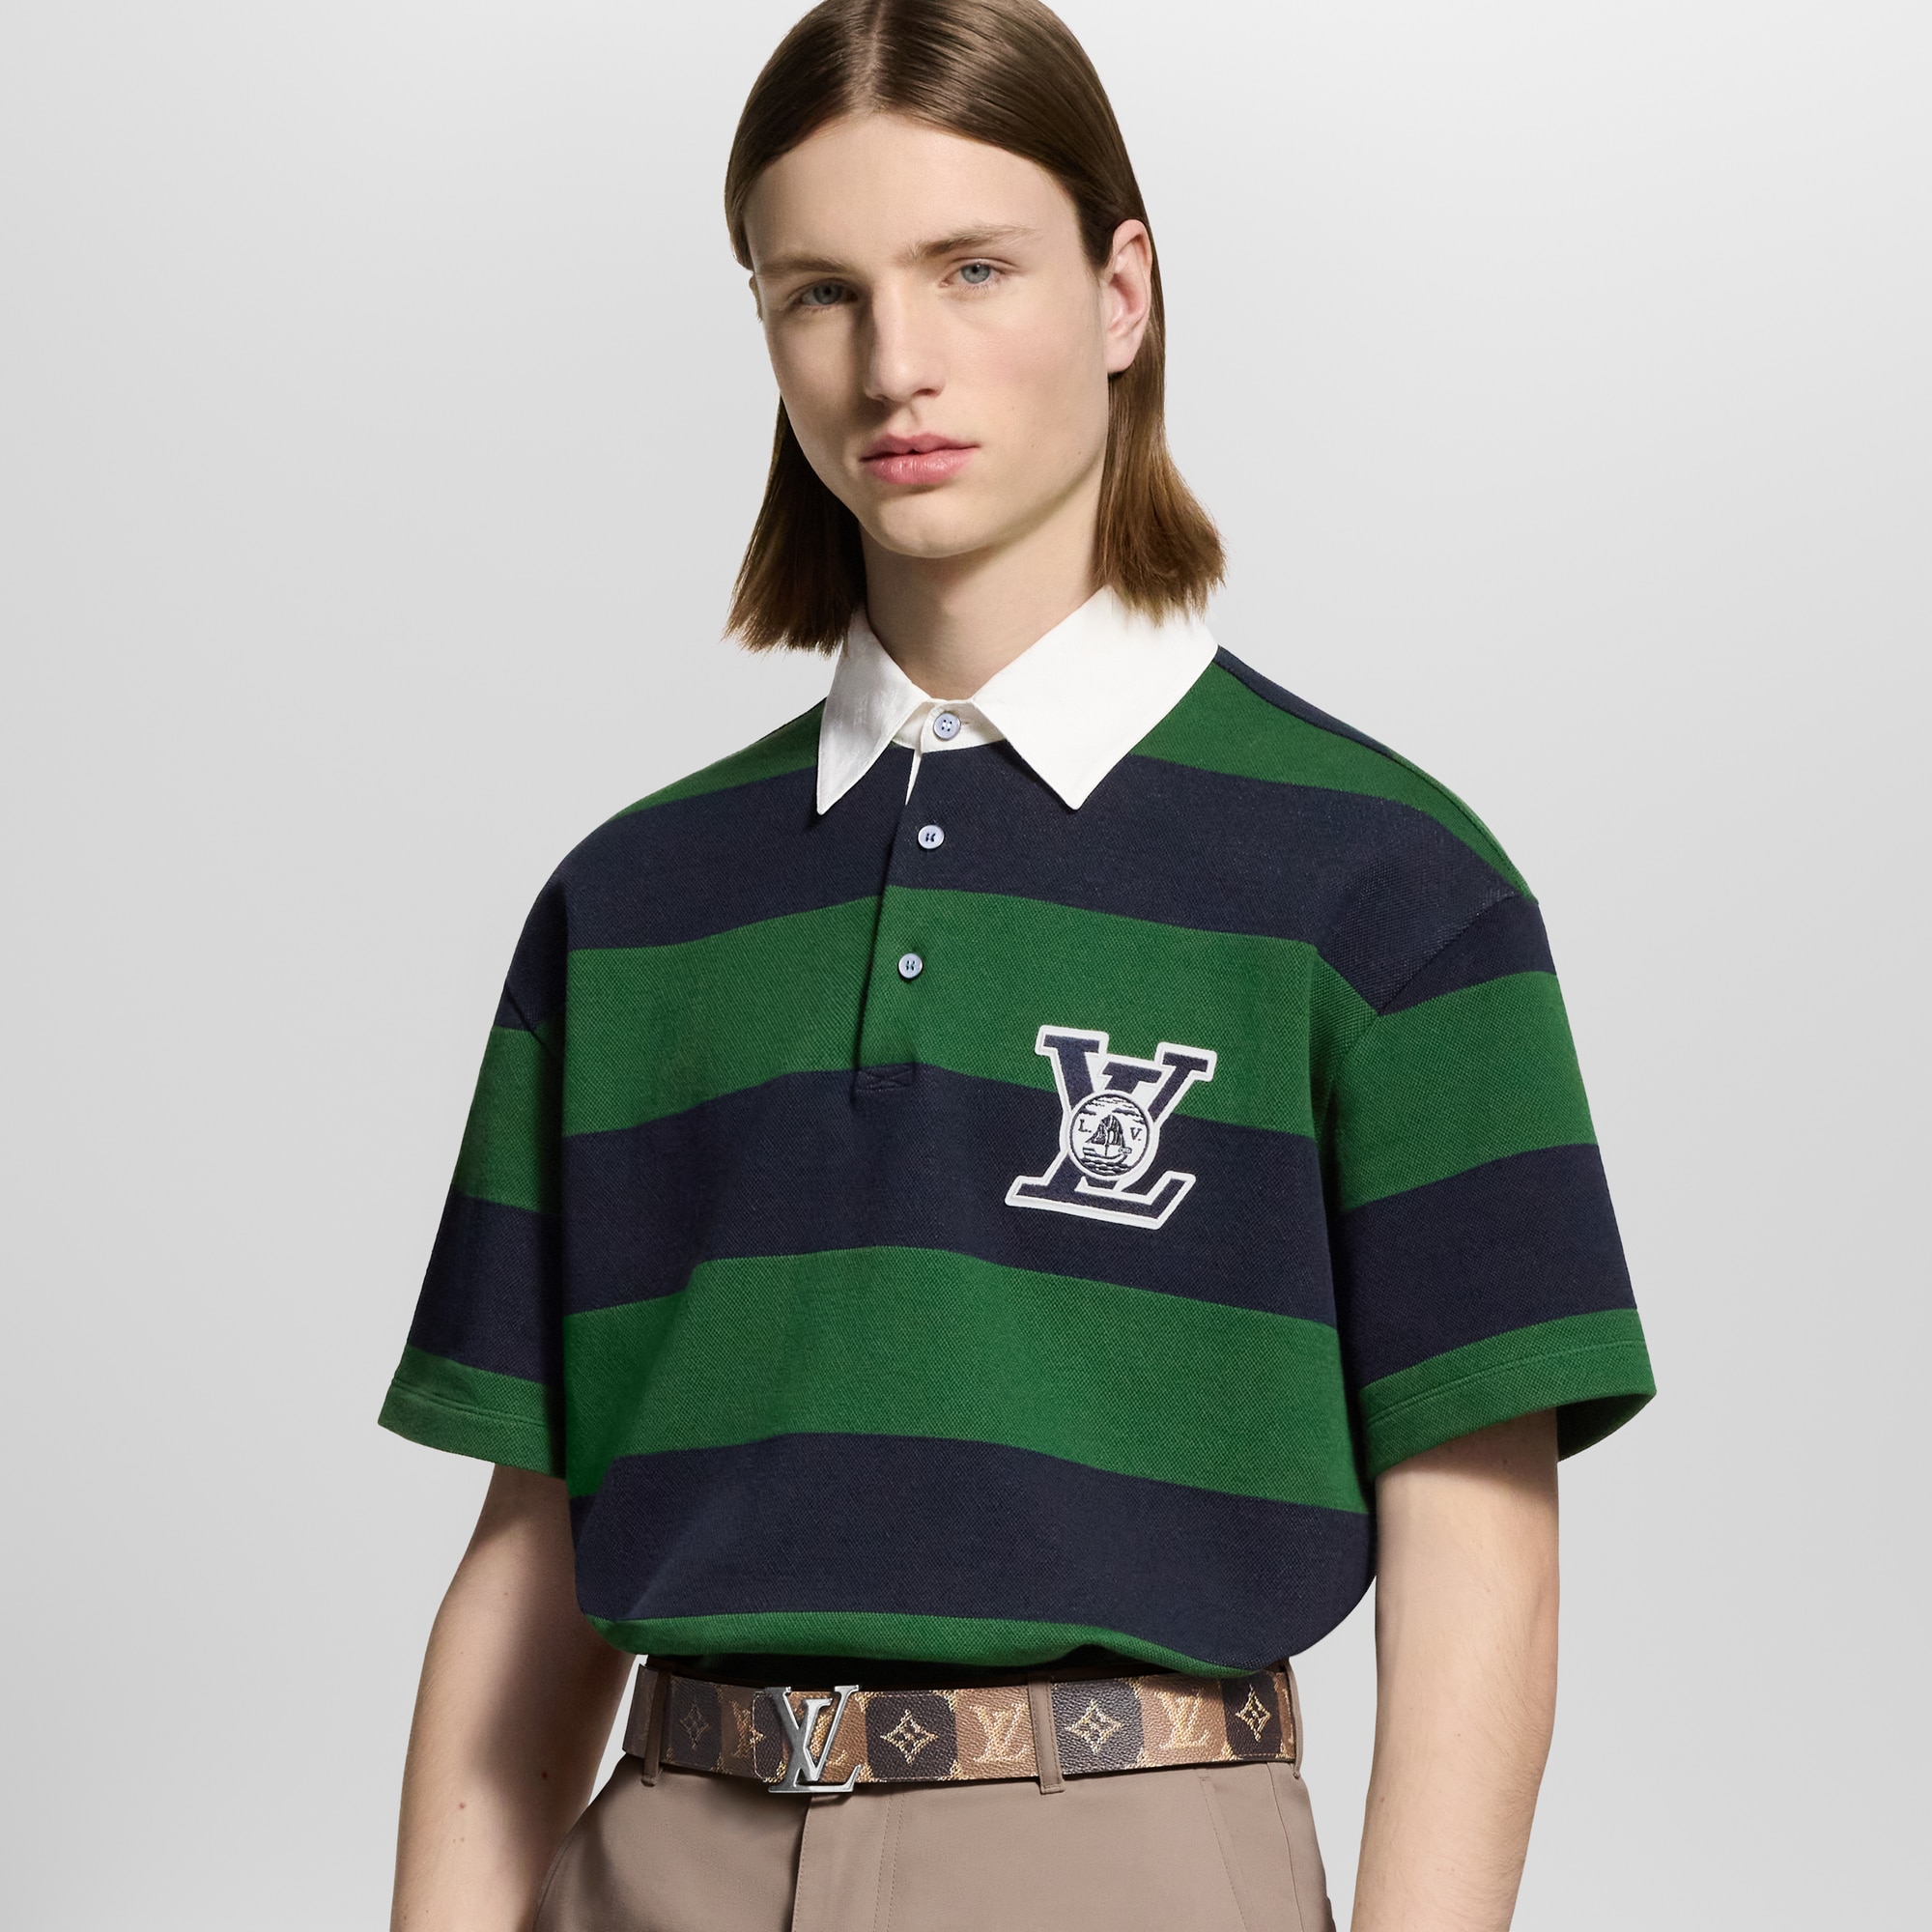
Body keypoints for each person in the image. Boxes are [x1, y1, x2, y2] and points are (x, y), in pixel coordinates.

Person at [378, 3, 1655, 1926]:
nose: (895, 362)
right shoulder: (633, 904)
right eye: (821, 292)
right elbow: (532, 1547)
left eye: (971, 269)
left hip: (1124, 1856)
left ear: (1123, 290)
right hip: (658, 1854)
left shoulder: (1386, 890)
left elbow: (1483, 1567)